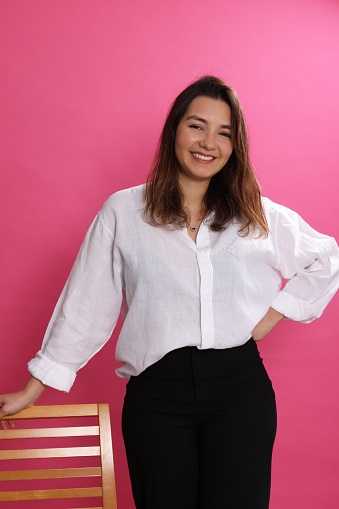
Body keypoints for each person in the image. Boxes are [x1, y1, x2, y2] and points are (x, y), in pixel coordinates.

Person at [1, 76, 339, 509]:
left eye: (225, 133)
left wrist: (274, 314)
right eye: (197, 126)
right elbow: (85, 305)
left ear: (235, 147)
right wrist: (34, 387)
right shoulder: (123, 211)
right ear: (174, 130)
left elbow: (325, 257)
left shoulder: (256, 213)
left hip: (239, 392)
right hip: (156, 396)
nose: (209, 143)